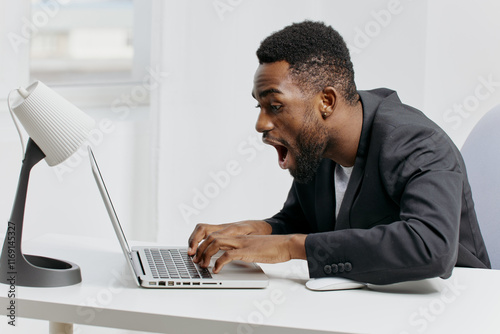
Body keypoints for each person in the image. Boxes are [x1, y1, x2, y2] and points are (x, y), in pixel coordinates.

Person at [187, 20, 490, 285]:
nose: (261, 123)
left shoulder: (417, 143)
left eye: (275, 106)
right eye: (260, 107)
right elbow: (300, 222)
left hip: (453, 303)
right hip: (361, 302)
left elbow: (431, 247)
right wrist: (256, 231)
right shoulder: (316, 145)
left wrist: (290, 247)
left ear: (326, 102)